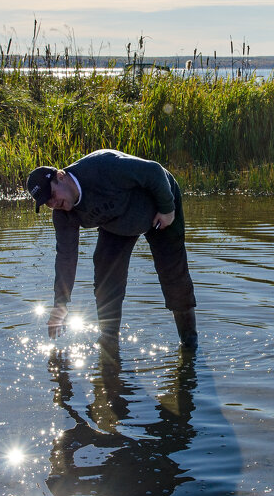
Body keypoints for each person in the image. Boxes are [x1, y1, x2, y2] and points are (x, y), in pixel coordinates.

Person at [26, 149, 197, 354]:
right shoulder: (63, 214)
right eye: (47, 203)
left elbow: (154, 171)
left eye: (52, 195)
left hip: (159, 206)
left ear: (61, 177)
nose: (54, 204)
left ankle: (189, 343)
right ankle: (109, 343)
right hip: (117, 224)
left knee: (173, 274)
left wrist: (168, 209)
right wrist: (60, 304)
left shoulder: (103, 168)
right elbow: (65, 257)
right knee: (105, 274)